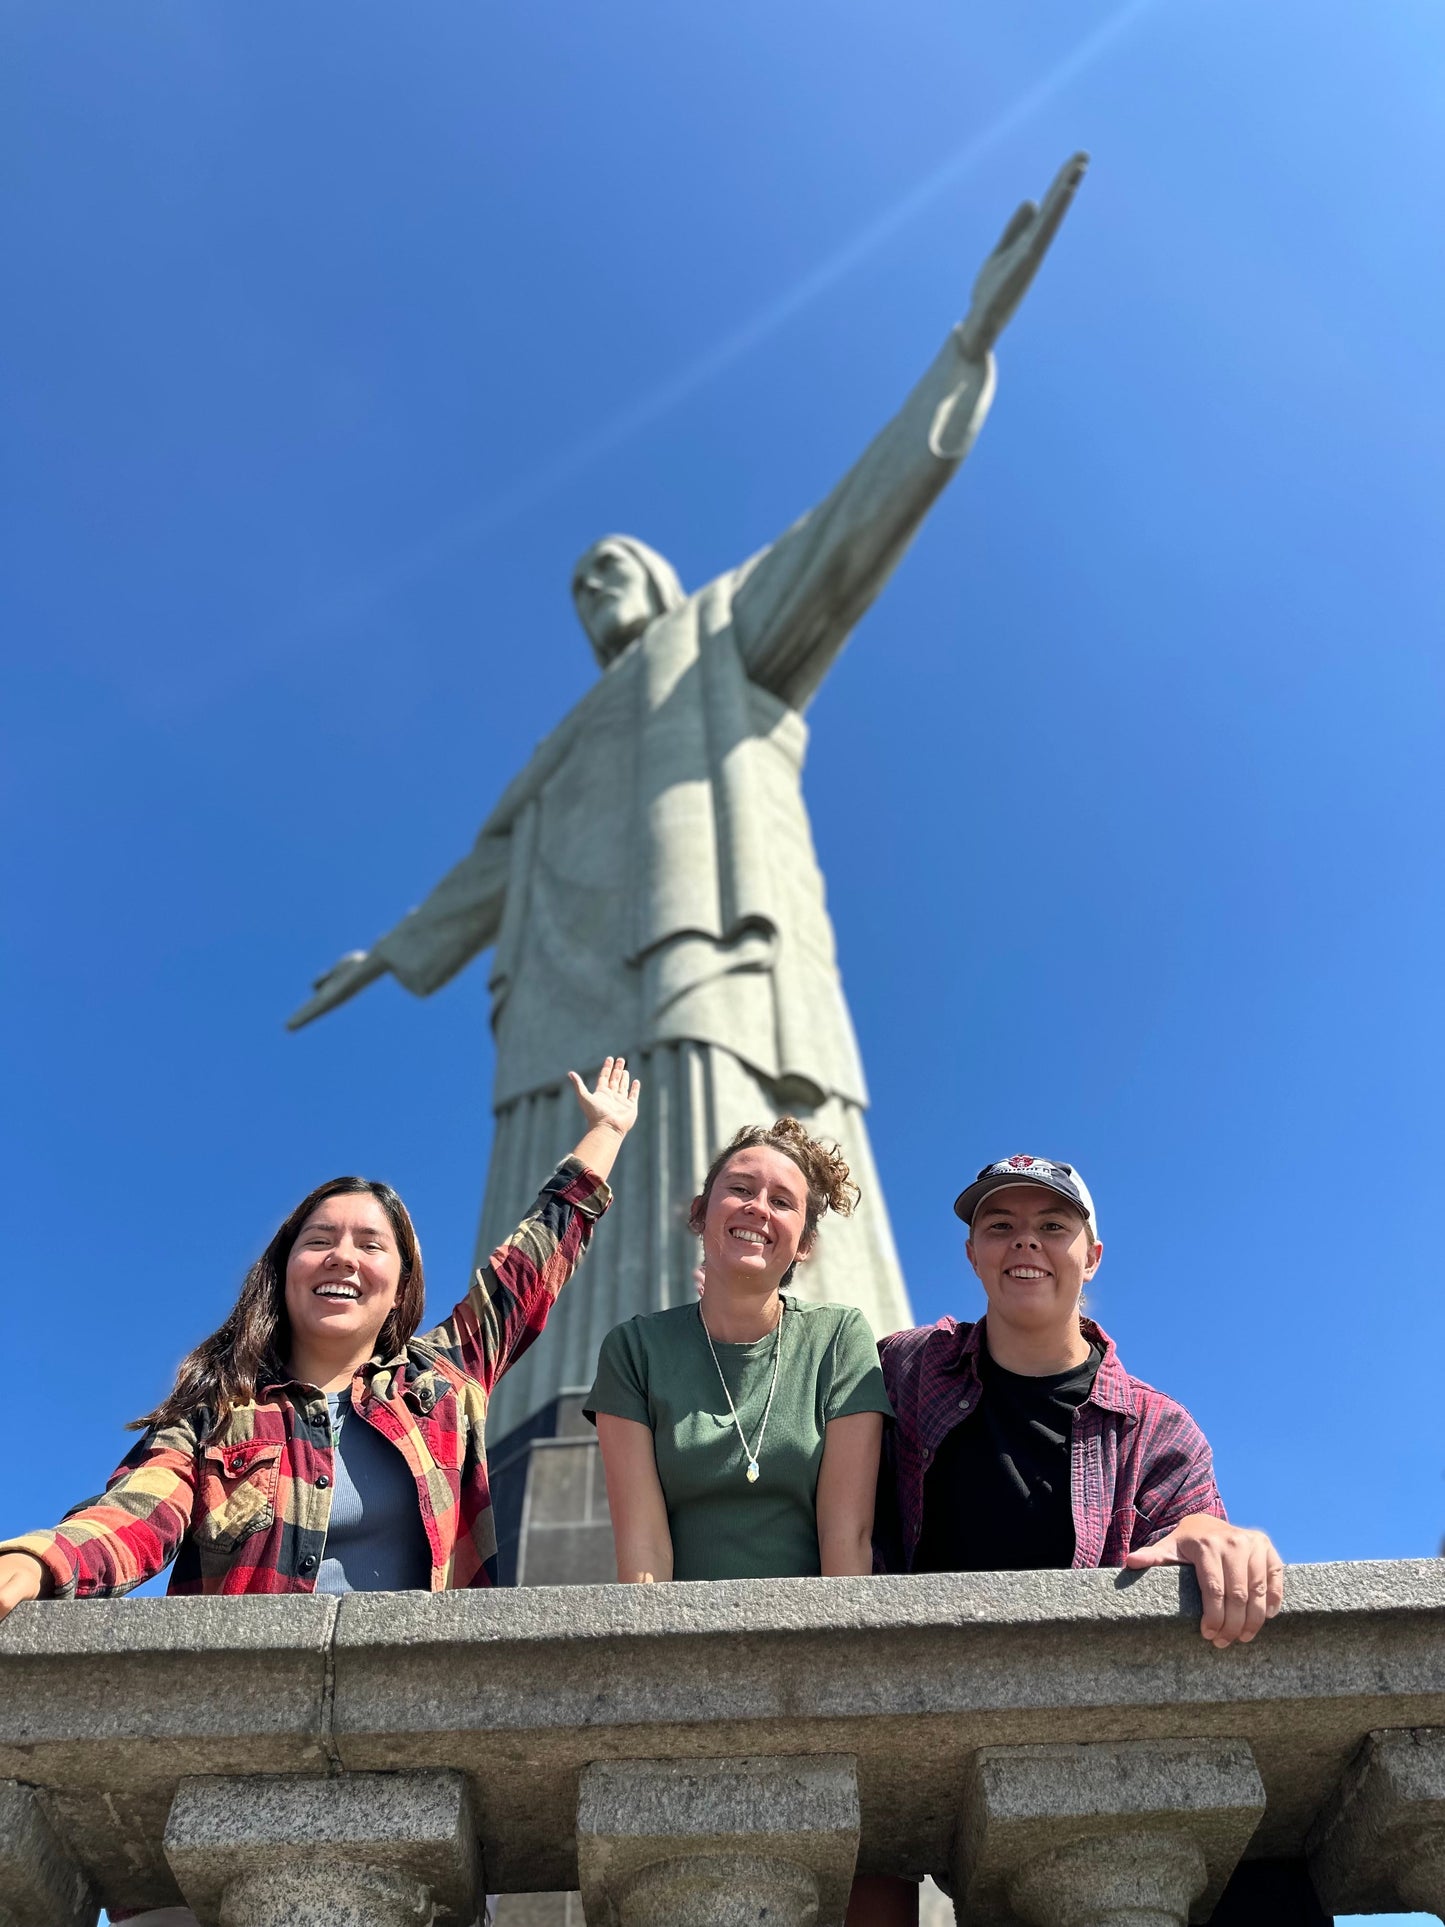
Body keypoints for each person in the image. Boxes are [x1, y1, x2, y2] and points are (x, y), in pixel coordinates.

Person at [286, 155, 1090, 1447]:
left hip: (706, 959)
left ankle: (792, 1411)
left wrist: (965, 350)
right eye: (580, 586)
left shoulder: (719, 632)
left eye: (613, 568)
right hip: (562, 1015)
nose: (596, 589)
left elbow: (847, 530)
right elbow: (479, 877)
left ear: (657, 581)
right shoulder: (553, 754)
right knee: (562, 1207)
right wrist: (388, 956)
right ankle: (530, 1431)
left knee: (744, 1167)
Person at [0, 1056, 640, 1622]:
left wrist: (606, 1132)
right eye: (319, 1241)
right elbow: (142, 1510)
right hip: (253, 1714)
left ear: (401, 1283)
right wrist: (38, 1561)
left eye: (370, 1245)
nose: (343, 1258)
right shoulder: (219, 1412)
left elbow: (528, 1267)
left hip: (419, 1711)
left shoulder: (444, 1380)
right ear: (283, 1272)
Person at [877, 1155, 1318, 1927]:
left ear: (1091, 1255)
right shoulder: (910, 1368)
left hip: (1107, 1746)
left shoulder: (1156, 1425)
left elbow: (1192, 1520)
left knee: (1270, 1884)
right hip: (966, 1750)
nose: (1026, 1244)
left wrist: (1212, 1534)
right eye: (1000, 1226)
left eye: (1053, 1226)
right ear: (972, 1252)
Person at [586, 1117, 892, 1585]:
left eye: (782, 1202)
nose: (758, 1209)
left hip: (812, 1636)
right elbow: (641, 1543)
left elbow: (847, 1535)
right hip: (680, 1635)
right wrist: (659, 1655)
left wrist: (836, 1656)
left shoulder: (839, 1337)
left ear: (805, 1243)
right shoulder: (635, 1350)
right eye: (741, 1189)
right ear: (699, 1213)